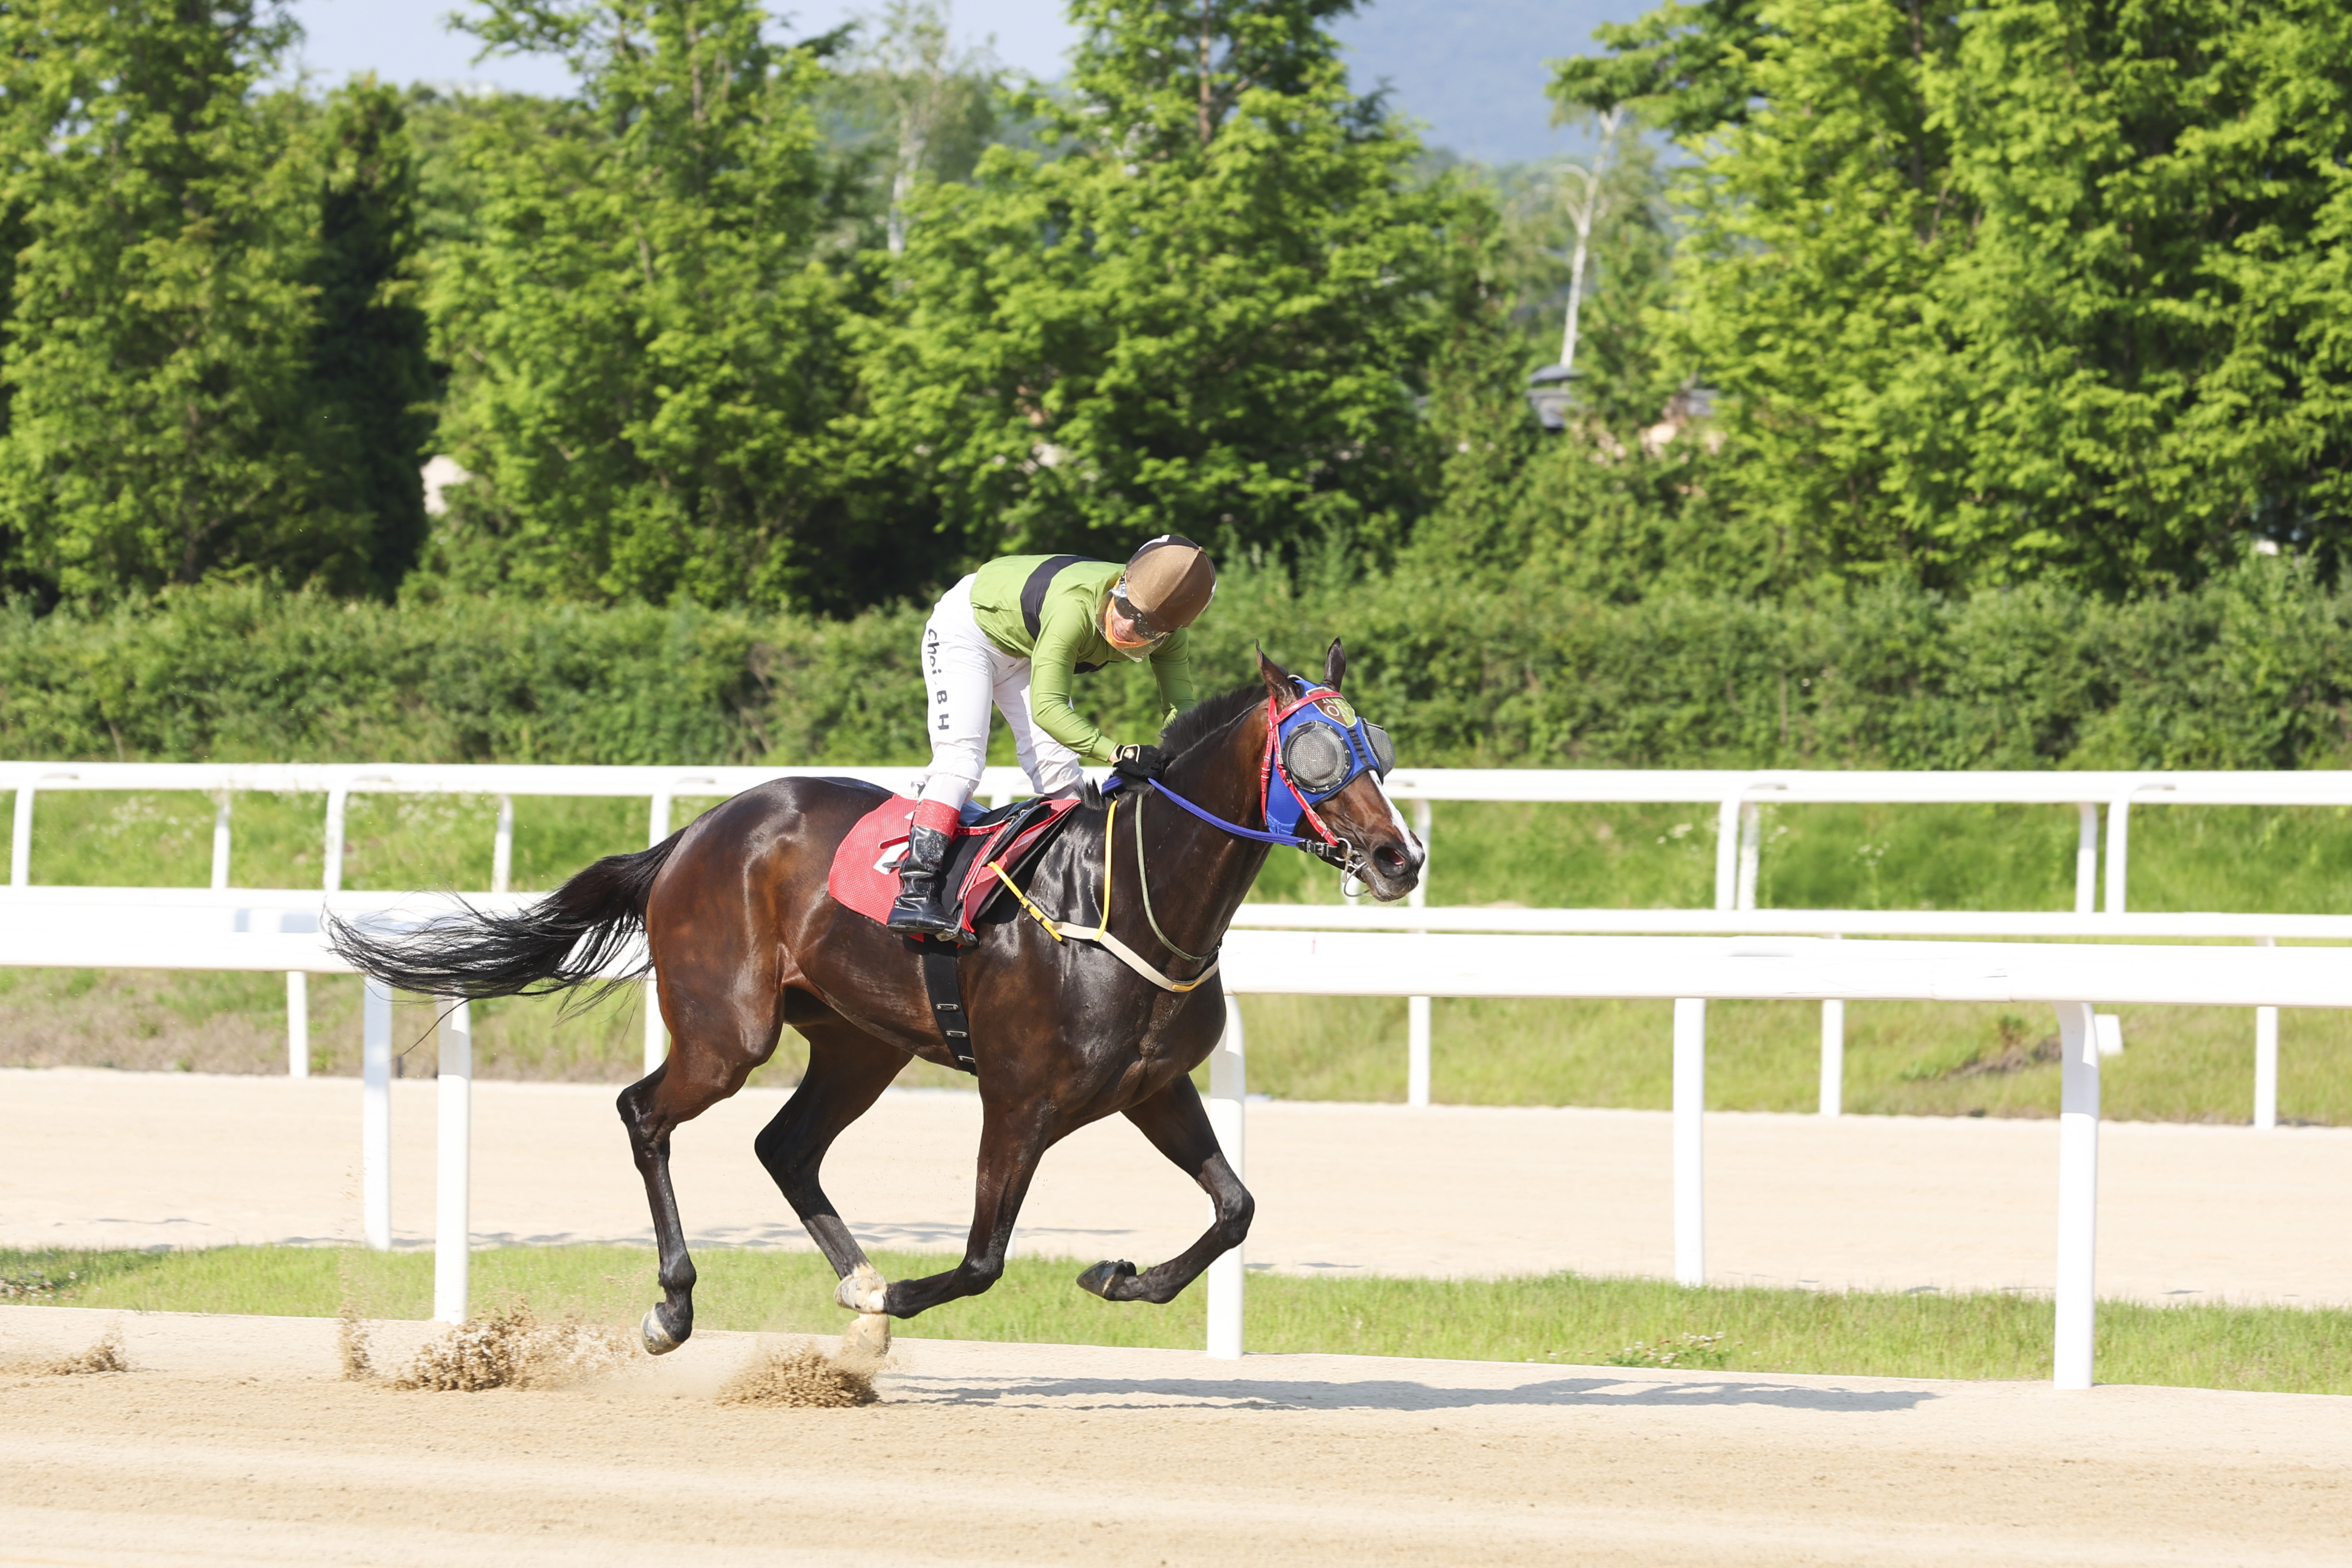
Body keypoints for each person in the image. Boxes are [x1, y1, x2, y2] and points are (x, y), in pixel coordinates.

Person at [888, 535, 1218, 937]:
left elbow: (1181, 709)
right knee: (962, 761)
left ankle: (1076, 892)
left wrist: (1178, 759)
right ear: (1123, 583)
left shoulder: (1171, 637)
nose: (1127, 624)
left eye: (1146, 625)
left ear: (1170, 632)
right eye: (1126, 605)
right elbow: (1048, 708)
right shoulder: (1075, 607)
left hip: (1025, 646)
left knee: (1060, 772)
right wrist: (1117, 752)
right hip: (969, 630)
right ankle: (916, 890)